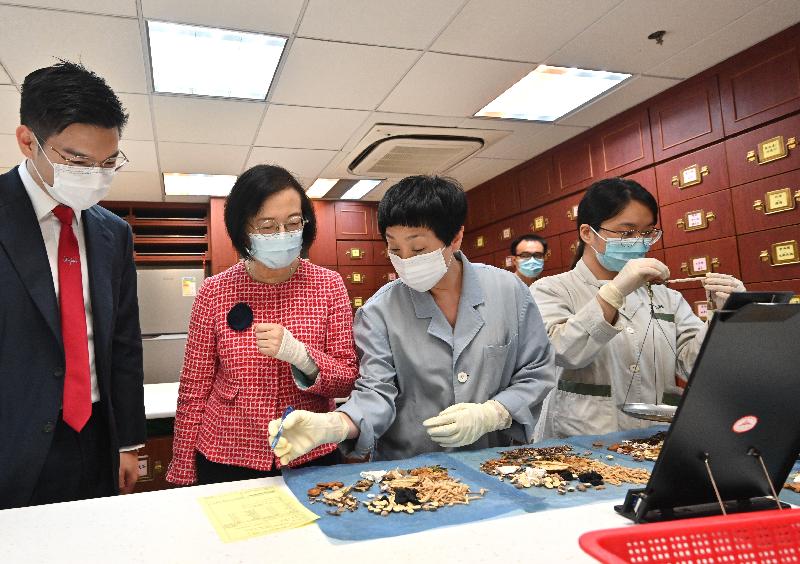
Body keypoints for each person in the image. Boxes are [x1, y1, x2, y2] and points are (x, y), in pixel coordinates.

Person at [268, 175, 555, 464]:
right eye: (394, 249)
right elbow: (376, 392)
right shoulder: (379, 311)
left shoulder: (509, 292)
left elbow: (537, 371)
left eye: (418, 250)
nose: (406, 260)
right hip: (410, 469)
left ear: (455, 238)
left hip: (496, 462)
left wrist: (495, 413)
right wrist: (337, 424)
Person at [0, 61, 145, 509]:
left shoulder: (113, 233)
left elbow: (123, 344)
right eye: (76, 159)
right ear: (28, 141)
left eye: (107, 162)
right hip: (12, 441)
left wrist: (127, 444)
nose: (94, 175)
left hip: (97, 435)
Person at [166, 165, 359, 485]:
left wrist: (302, 357)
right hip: (227, 453)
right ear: (243, 229)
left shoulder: (328, 286)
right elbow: (194, 388)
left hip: (310, 452)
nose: (283, 235)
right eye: (267, 226)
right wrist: (183, 467)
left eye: (293, 223)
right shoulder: (215, 292)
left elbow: (346, 380)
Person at [531, 178, 746, 438]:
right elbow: (564, 351)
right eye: (626, 232)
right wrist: (614, 292)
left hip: (654, 436)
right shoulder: (551, 290)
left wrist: (723, 318)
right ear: (587, 233)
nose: (639, 242)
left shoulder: (668, 298)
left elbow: (696, 368)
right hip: (581, 439)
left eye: (647, 233)